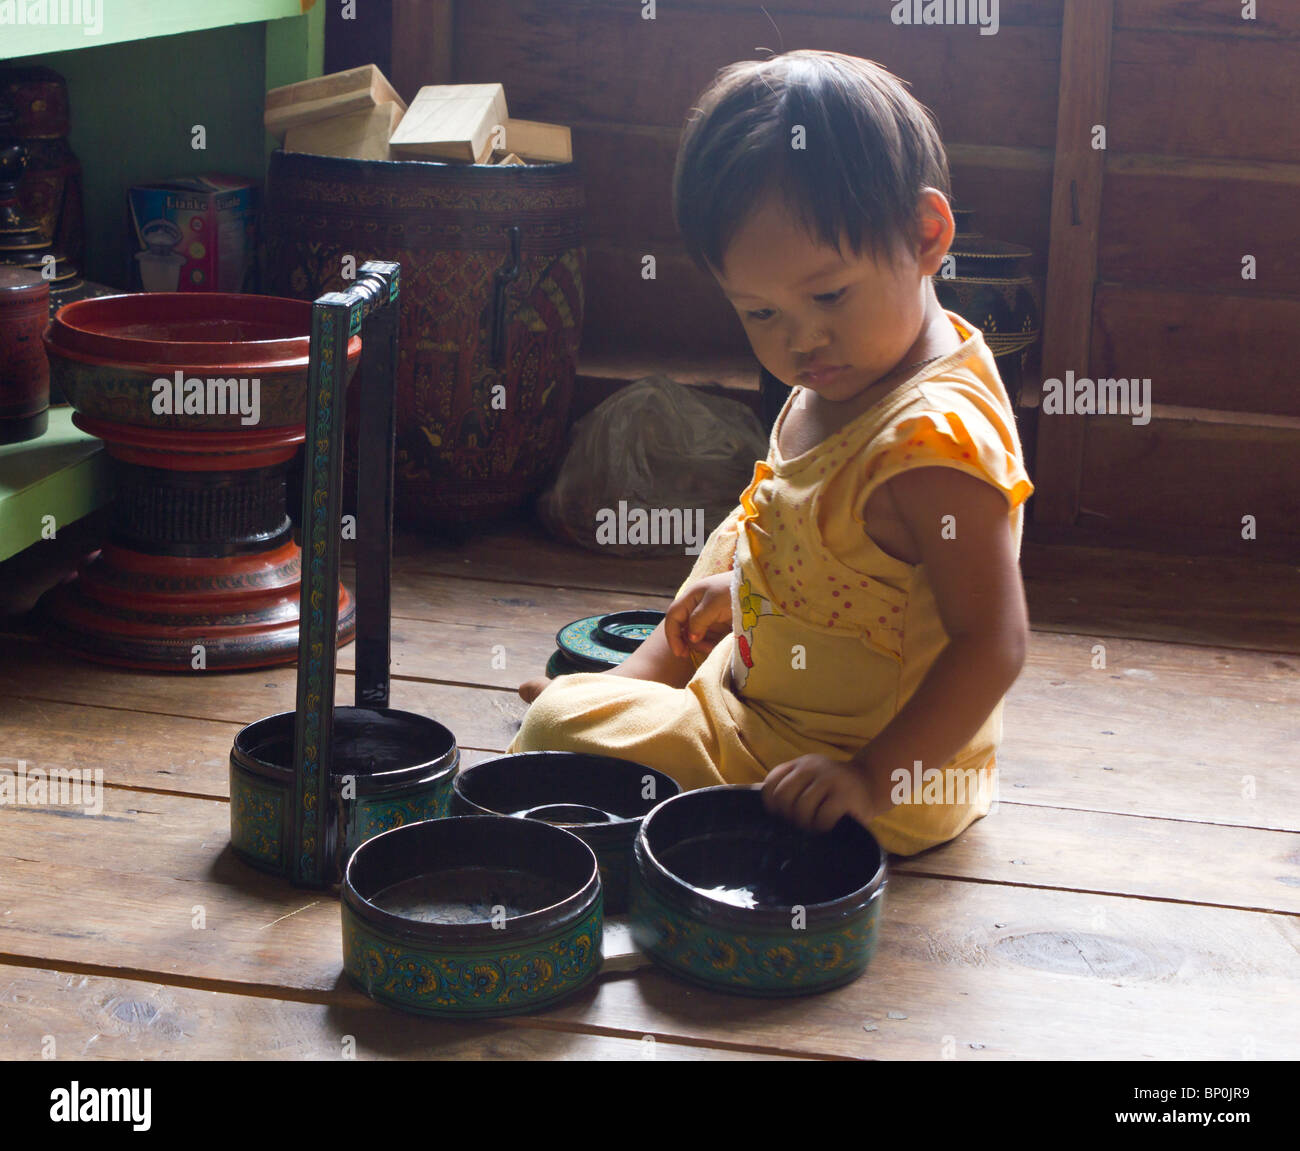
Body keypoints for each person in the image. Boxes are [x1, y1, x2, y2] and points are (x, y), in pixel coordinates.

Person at [510, 49, 1034, 856]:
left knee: (554, 722)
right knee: (740, 530)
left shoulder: (932, 443)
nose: (802, 339)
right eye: (759, 312)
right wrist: (753, 583)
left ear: (926, 236)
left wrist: (868, 779)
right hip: (773, 695)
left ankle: (613, 718)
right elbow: (836, 543)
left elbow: (993, 642)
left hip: (851, 771)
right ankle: (637, 687)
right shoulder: (855, 362)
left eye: (828, 295)